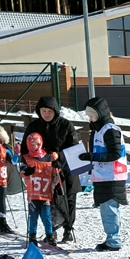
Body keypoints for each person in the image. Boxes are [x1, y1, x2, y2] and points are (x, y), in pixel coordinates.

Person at [21, 96, 81, 242]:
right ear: (39, 111)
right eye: (43, 111)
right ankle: (51, 230)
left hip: (66, 167)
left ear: (55, 111)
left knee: (69, 198)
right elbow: (24, 149)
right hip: (44, 171)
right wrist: (26, 167)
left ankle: (68, 228)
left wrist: (59, 156)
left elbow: (75, 148)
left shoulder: (66, 125)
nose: (46, 114)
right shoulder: (33, 126)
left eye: (49, 111)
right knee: (50, 201)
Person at [78, 97, 127, 251]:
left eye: (92, 114)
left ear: (101, 113)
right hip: (103, 176)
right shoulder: (98, 130)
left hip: (113, 176)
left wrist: (93, 157)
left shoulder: (110, 130)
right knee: (105, 209)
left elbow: (115, 154)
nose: (90, 118)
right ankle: (111, 238)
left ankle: (114, 241)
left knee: (110, 208)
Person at [20, 132, 59, 246]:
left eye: (37, 144)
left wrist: (57, 165)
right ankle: (32, 236)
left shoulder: (47, 156)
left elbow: (55, 172)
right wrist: (26, 171)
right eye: (32, 144)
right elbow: (22, 172)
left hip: (45, 192)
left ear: (40, 144)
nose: (35, 147)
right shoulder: (26, 158)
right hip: (33, 193)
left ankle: (50, 235)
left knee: (46, 214)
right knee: (33, 215)